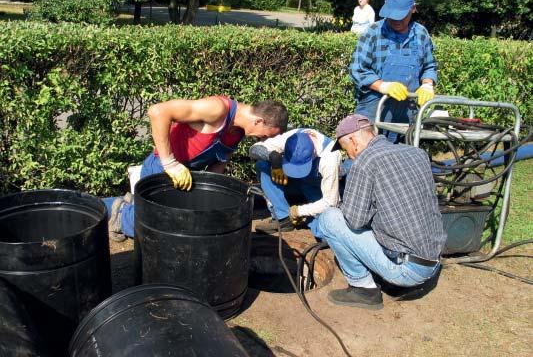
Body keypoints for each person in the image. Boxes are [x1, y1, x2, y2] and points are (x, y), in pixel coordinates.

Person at [104, 95, 288, 242]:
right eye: (265, 136)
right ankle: (119, 214)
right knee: (156, 230)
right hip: (163, 169)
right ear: (259, 121)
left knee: (183, 226)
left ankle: (133, 204)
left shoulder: (240, 130)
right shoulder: (217, 109)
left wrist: (205, 192)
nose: (263, 140)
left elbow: (221, 160)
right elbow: (157, 112)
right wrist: (171, 164)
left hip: (188, 175)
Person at [318, 114, 446, 310]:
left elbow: (354, 221)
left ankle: (363, 289)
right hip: (433, 260)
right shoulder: (416, 153)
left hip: (408, 270)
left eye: (346, 150)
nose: (350, 156)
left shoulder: (365, 162)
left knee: (329, 219)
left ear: (353, 141)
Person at [349, 0, 437, 143]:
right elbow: (357, 70)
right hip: (374, 110)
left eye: (401, 15)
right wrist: (383, 86)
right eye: (392, 14)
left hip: (407, 115)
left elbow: (429, 66)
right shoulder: (373, 33)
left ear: (413, 9)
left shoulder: (421, 34)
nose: (396, 19)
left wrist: (427, 84)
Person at [250, 128, 342, 239]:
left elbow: (330, 201)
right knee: (262, 165)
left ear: (314, 152)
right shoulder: (294, 136)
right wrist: (273, 158)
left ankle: (310, 217)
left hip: (315, 188)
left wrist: (299, 211)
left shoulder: (330, 157)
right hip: (293, 183)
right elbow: (253, 149)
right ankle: (283, 218)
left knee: (324, 233)